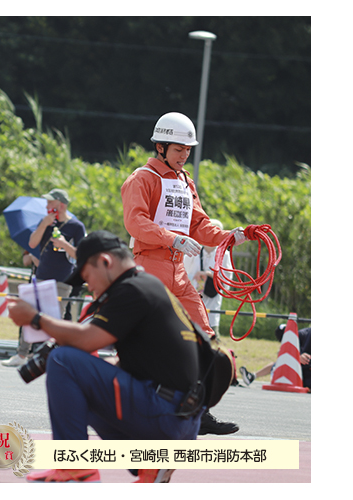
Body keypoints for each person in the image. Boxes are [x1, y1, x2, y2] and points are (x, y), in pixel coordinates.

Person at [7, 231, 208, 483]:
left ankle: (74, 466)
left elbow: (86, 339)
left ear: (105, 261)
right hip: (179, 418)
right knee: (81, 386)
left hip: (164, 413)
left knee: (63, 360)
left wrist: (36, 319)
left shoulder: (131, 289)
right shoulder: (148, 285)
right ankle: (151, 464)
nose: (89, 286)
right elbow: (141, 362)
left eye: (87, 276)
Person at [120, 112, 251, 435]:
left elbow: (199, 225)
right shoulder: (142, 178)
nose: (184, 155)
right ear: (160, 146)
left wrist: (230, 237)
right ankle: (138, 409)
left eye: (188, 150)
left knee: (205, 338)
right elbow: (135, 221)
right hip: (149, 265)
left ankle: (199, 411)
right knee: (157, 343)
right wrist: (171, 238)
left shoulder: (184, 182)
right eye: (179, 149)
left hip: (178, 269)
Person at [2, 188, 86, 367]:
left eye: (50, 202)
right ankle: (22, 354)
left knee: (57, 319)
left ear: (61, 205)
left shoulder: (76, 226)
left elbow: (81, 255)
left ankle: (54, 357)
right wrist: (43, 224)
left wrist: (64, 244)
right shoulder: (45, 222)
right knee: (30, 313)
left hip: (63, 279)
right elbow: (32, 243)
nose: (47, 205)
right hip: (42, 275)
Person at [183, 219, 232, 332]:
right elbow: (181, 274)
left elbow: (228, 283)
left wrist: (209, 275)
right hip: (192, 300)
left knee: (212, 337)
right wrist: (195, 277)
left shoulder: (224, 255)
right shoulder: (193, 250)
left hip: (212, 302)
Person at [240, 324, 311, 390]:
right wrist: (297, 357)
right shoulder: (300, 335)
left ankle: (253, 376)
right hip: (301, 373)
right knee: (281, 362)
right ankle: (252, 376)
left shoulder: (304, 335)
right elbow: (283, 354)